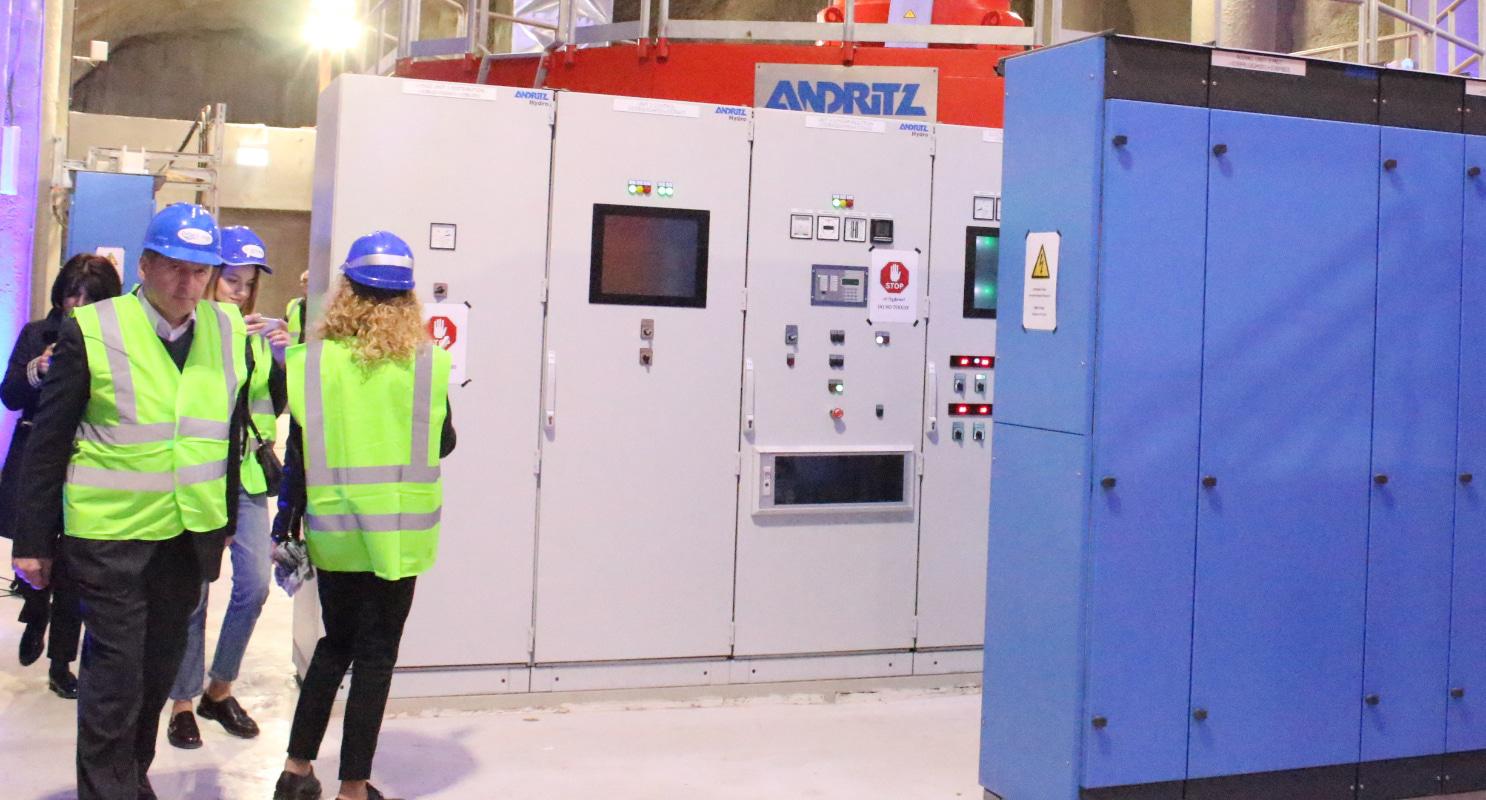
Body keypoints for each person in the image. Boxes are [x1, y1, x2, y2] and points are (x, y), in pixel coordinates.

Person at [10, 202, 249, 800]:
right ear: (145, 265)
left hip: (186, 535)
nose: (187, 283)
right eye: (174, 267)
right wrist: (33, 541)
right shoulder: (93, 329)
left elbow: (229, 431)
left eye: (200, 271)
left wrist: (225, 518)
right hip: (110, 536)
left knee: (157, 673)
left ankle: (130, 778)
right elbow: (48, 441)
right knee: (114, 679)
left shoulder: (226, 330)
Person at [273, 232, 455, 800]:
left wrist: (287, 520)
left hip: (336, 532)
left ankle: (295, 771)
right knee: (376, 657)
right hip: (398, 535)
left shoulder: (313, 364)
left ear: (345, 292)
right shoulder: (426, 365)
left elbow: (298, 454)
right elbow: (444, 442)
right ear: (408, 299)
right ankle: (353, 788)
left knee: (335, 644)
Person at [166, 226, 291, 749]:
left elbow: (274, 405)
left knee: (256, 584)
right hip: (201, 476)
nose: (239, 292)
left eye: (248, 284)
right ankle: (182, 701)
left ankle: (220, 689)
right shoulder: (189, 331)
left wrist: (283, 359)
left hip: (248, 477)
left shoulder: (257, 333)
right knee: (193, 592)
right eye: (231, 280)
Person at [0, 254, 122, 698]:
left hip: (87, 461)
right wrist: (39, 369)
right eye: (73, 294)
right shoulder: (38, 333)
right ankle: (35, 613)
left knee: (71, 568)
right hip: (35, 456)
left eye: (90, 297)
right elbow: (10, 395)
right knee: (35, 554)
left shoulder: (114, 341)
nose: (78, 304)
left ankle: (60, 662)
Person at [286, 269, 307, 341]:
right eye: (305, 281)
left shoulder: (325, 307)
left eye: (311, 281)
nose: (308, 284)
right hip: (294, 348)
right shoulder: (292, 305)